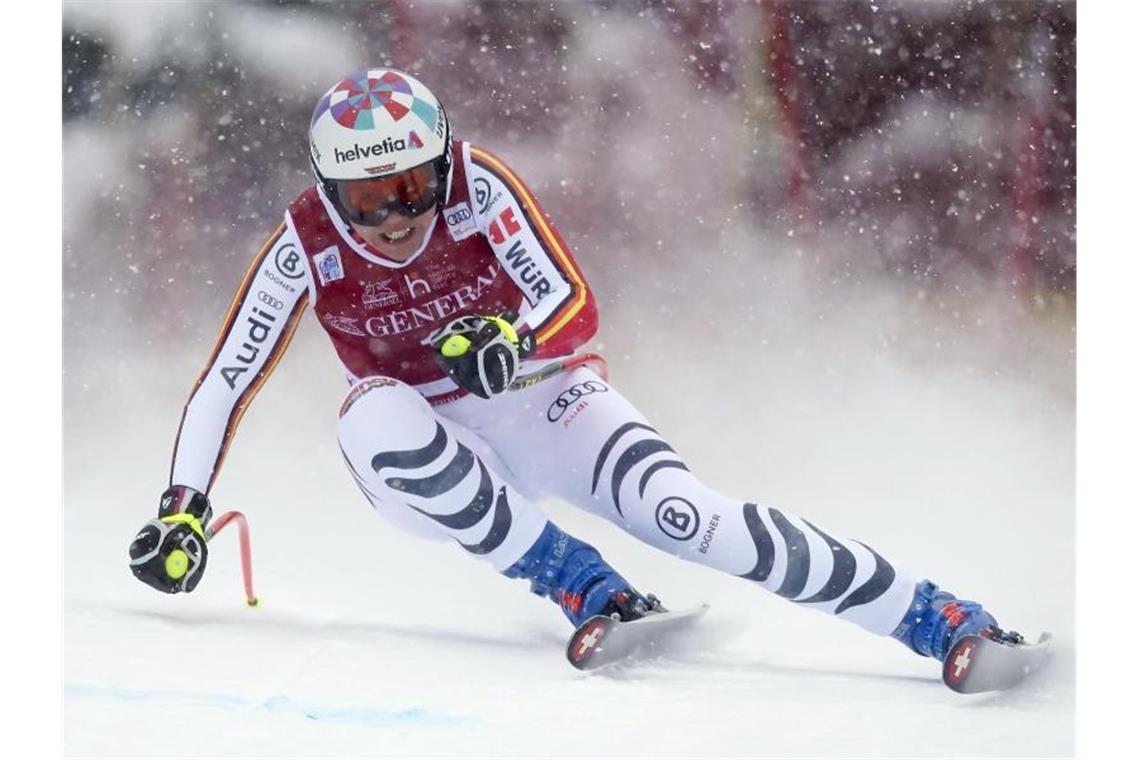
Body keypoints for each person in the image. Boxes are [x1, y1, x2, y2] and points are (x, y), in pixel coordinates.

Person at [128, 67, 1007, 668]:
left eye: (412, 188)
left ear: (441, 166)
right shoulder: (301, 247)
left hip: (534, 396)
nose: (396, 217)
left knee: (689, 516)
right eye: (368, 199)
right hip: (421, 451)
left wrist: (512, 342)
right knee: (370, 412)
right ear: (328, 193)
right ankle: (580, 583)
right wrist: (184, 511)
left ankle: (938, 618)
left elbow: (572, 301)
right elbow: (227, 382)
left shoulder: (481, 184)